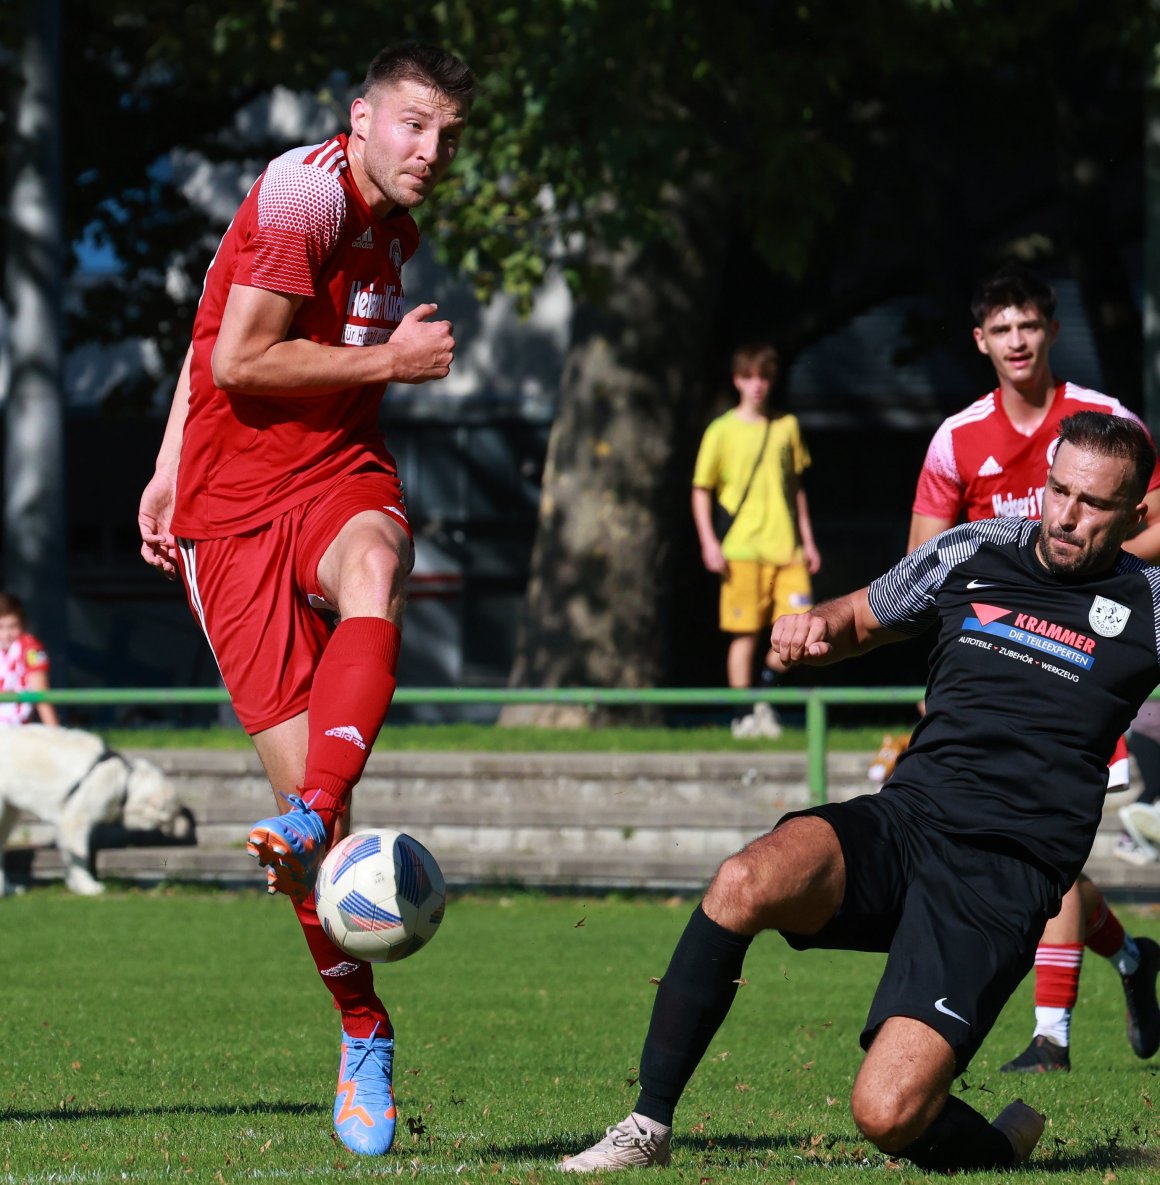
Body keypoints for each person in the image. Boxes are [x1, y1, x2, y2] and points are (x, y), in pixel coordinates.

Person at [561, 413, 1160, 1174]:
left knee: (886, 1113)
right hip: (908, 820)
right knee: (746, 878)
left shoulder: (1148, 603)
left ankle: (1001, 1143)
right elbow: (859, 616)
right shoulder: (972, 547)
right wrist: (814, 627)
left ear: (1137, 514)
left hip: (1003, 873)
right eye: (1058, 489)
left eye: (1094, 504)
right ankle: (646, 1126)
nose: (1067, 515)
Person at [136, 44, 473, 1157]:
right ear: (362, 117)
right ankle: (363, 1027)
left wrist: (160, 450)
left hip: (333, 477)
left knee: (377, 562)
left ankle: (310, 805)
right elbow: (238, 361)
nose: (432, 150)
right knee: (321, 866)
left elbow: (206, 326)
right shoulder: (304, 192)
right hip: (229, 523)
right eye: (414, 125)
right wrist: (388, 365)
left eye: (448, 134)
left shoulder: (392, 230)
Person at [906, 264, 1160, 1073]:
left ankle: (1051, 1033)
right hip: (993, 669)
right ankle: (1129, 959)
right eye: (1001, 328)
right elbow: (923, 562)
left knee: (1052, 844)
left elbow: (1156, 526)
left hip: (1086, 663)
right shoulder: (957, 438)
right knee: (1045, 854)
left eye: (1030, 325)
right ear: (980, 341)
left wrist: (1080, 590)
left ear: (1051, 332)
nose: (1017, 341)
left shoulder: (1105, 423)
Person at [691, 344, 821, 739]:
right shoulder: (721, 430)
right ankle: (744, 713)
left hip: (787, 549)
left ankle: (763, 689)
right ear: (737, 380)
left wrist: (808, 540)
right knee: (744, 634)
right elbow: (701, 489)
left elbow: (795, 487)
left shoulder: (787, 426)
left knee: (804, 628)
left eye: (763, 377)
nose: (757, 385)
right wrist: (708, 543)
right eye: (749, 377)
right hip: (742, 549)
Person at [0, 592, 59, 727]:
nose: (6, 634)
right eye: (1, 626)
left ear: (23, 624)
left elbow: (42, 696)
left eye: (13, 626)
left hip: (15, 731)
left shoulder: (32, 649)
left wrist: (56, 735)